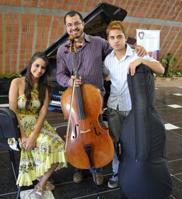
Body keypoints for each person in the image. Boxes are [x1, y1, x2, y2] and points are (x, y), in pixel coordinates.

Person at [56, 10, 147, 185]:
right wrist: (69, 80)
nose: (73, 27)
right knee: (76, 135)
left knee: (96, 135)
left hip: (94, 100)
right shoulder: (62, 50)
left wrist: (136, 47)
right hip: (75, 100)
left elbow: (118, 47)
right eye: (69, 24)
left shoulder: (98, 43)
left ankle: (96, 168)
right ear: (66, 27)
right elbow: (60, 74)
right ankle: (79, 166)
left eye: (76, 23)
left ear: (83, 24)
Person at [104, 21, 164, 188]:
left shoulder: (137, 53)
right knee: (115, 142)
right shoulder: (108, 60)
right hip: (114, 107)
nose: (116, 40)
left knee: (134, 142)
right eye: (112, 37)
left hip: (133, 108)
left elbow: (160, 69)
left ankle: (134, 172)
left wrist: (143, 62)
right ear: (108, 40)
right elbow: (102, 75)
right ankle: (117, 173)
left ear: (125, 38)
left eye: (119, 37)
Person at [9, 52, 68, 198]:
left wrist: (34, 136)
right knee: (44, 145)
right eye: (37, 65)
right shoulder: (17, 82)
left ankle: (41, 183)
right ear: (30, 65)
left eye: (43, 67)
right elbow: (13, 111)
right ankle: (41, 179)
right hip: (18, 126)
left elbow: (42, 114)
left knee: (60, 145)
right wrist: (24, 136)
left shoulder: (46, 87)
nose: (39, 70)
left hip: (38, 125)